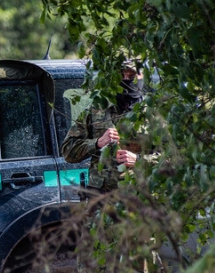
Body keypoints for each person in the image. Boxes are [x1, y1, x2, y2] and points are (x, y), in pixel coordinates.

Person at [61, 61, 150, 191]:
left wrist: (139, 160)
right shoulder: (96, 110)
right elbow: (67, 151)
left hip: (141, 197)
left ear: (142, 76)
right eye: (121, 76)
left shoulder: (153, 113)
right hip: (102, 199)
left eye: (131, 76)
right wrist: (97, 143)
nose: (125, 80)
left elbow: (176, 158)